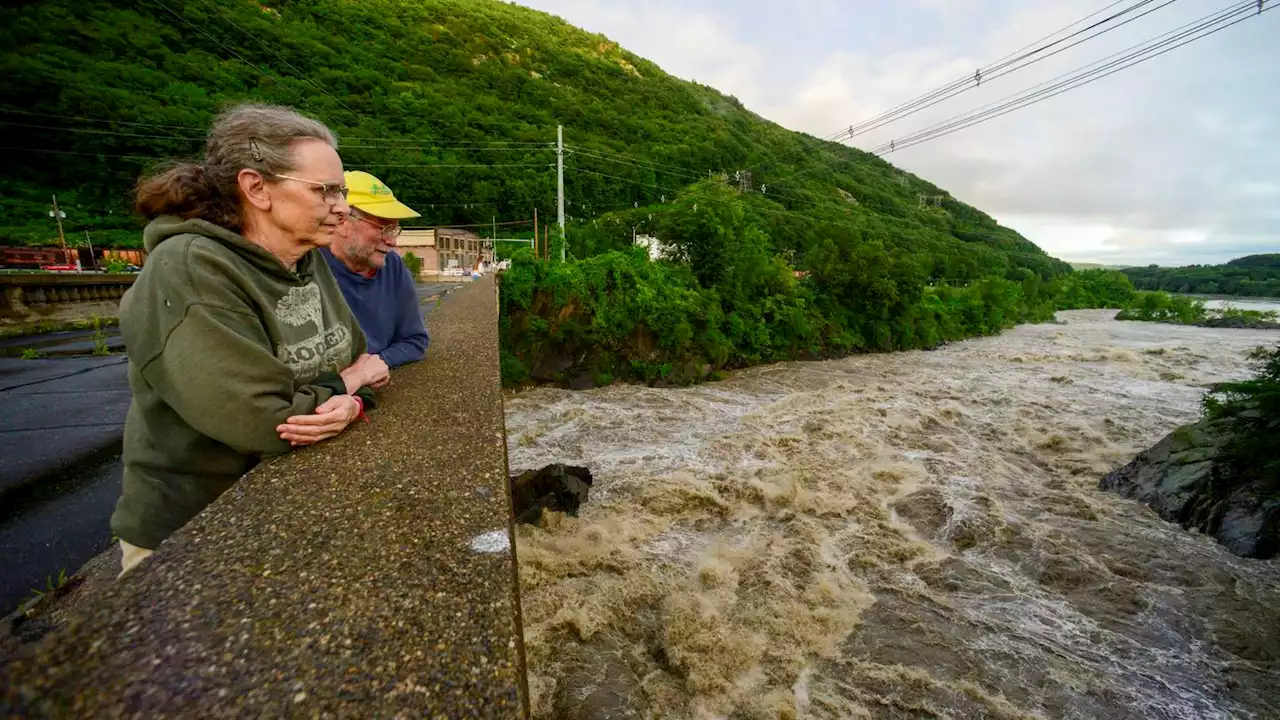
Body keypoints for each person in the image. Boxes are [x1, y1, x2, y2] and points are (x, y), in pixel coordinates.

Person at [110, 104, 388, 575]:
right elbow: (265, 420)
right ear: (256, 187)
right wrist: (345, 386)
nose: (342, 207)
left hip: (285, 507)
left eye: (340, 191)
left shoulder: (305, 259)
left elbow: (360, 358)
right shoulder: (190, 269)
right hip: (192, 535)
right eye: (326, 191)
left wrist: (355, 397)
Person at [321, 171, 428, 372]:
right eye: (383, 227)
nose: (392, 241)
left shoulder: (393, 266)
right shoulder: (309, 267)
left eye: (394, 229)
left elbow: (415, 340)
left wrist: (374, 365)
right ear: (342, 222)